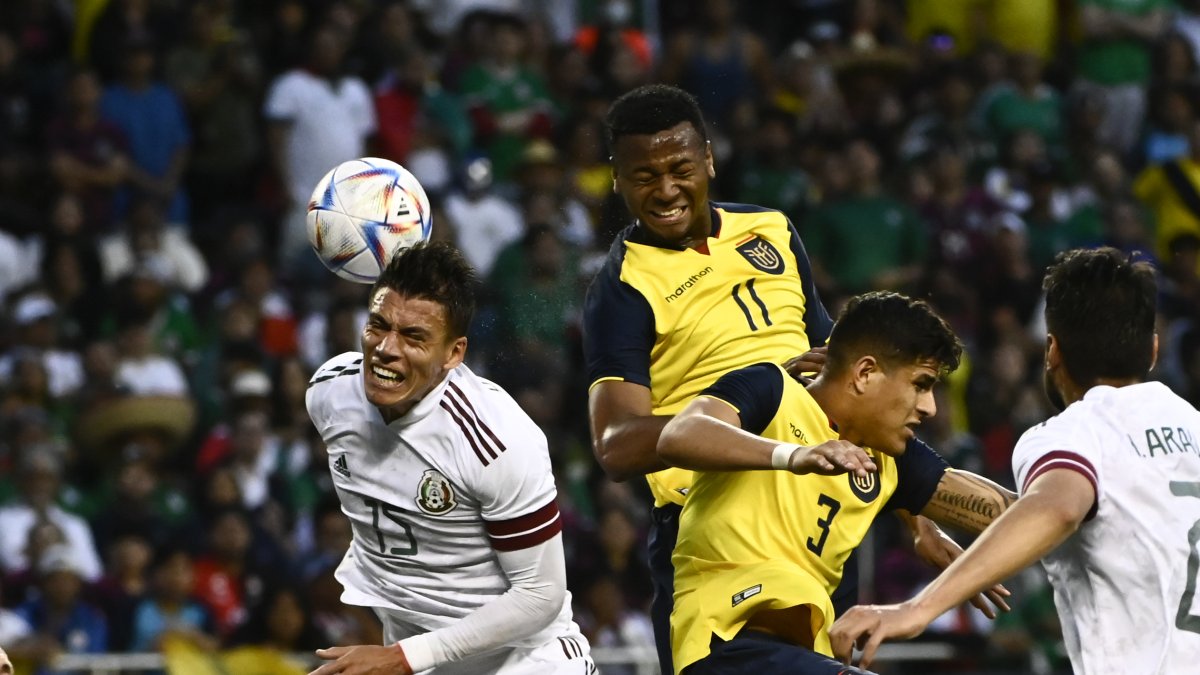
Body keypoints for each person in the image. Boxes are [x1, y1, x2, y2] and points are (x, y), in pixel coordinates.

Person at [584, 83, 999, 675]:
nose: (666, 190)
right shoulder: (623, 289)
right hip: (720, 521)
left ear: (709, 157)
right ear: (617, 179)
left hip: (824, 504)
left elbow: (846, 369)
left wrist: (916, 518)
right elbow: (617, 444)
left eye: (679, 168)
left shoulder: (771, 229)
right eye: (643, 176)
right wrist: (763, 416)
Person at [830, 248, 1200, 673]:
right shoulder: (1192, 426)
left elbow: (1057, 506)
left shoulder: (1075, 434)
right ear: (1153, 350)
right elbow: (1066, 517)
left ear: (1052, 351)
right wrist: (915, 509)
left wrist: (917, 609)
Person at [660, 292, 1015, 675]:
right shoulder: (774, 391)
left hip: (807, 655)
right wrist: (793, 455)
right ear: (864, 374)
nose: (929, 407)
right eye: (921, 384)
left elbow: (1021, 511)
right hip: (726, 644)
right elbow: (679, 435)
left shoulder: (892, 460)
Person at [306, 241, 594, 674]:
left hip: (527, 663)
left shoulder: (495, 440)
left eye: (414, 336)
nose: (386, 348)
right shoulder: (329, 393)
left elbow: (540, 594)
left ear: (454, 354)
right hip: (420, 663)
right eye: (377, 325)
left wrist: (406, 656)